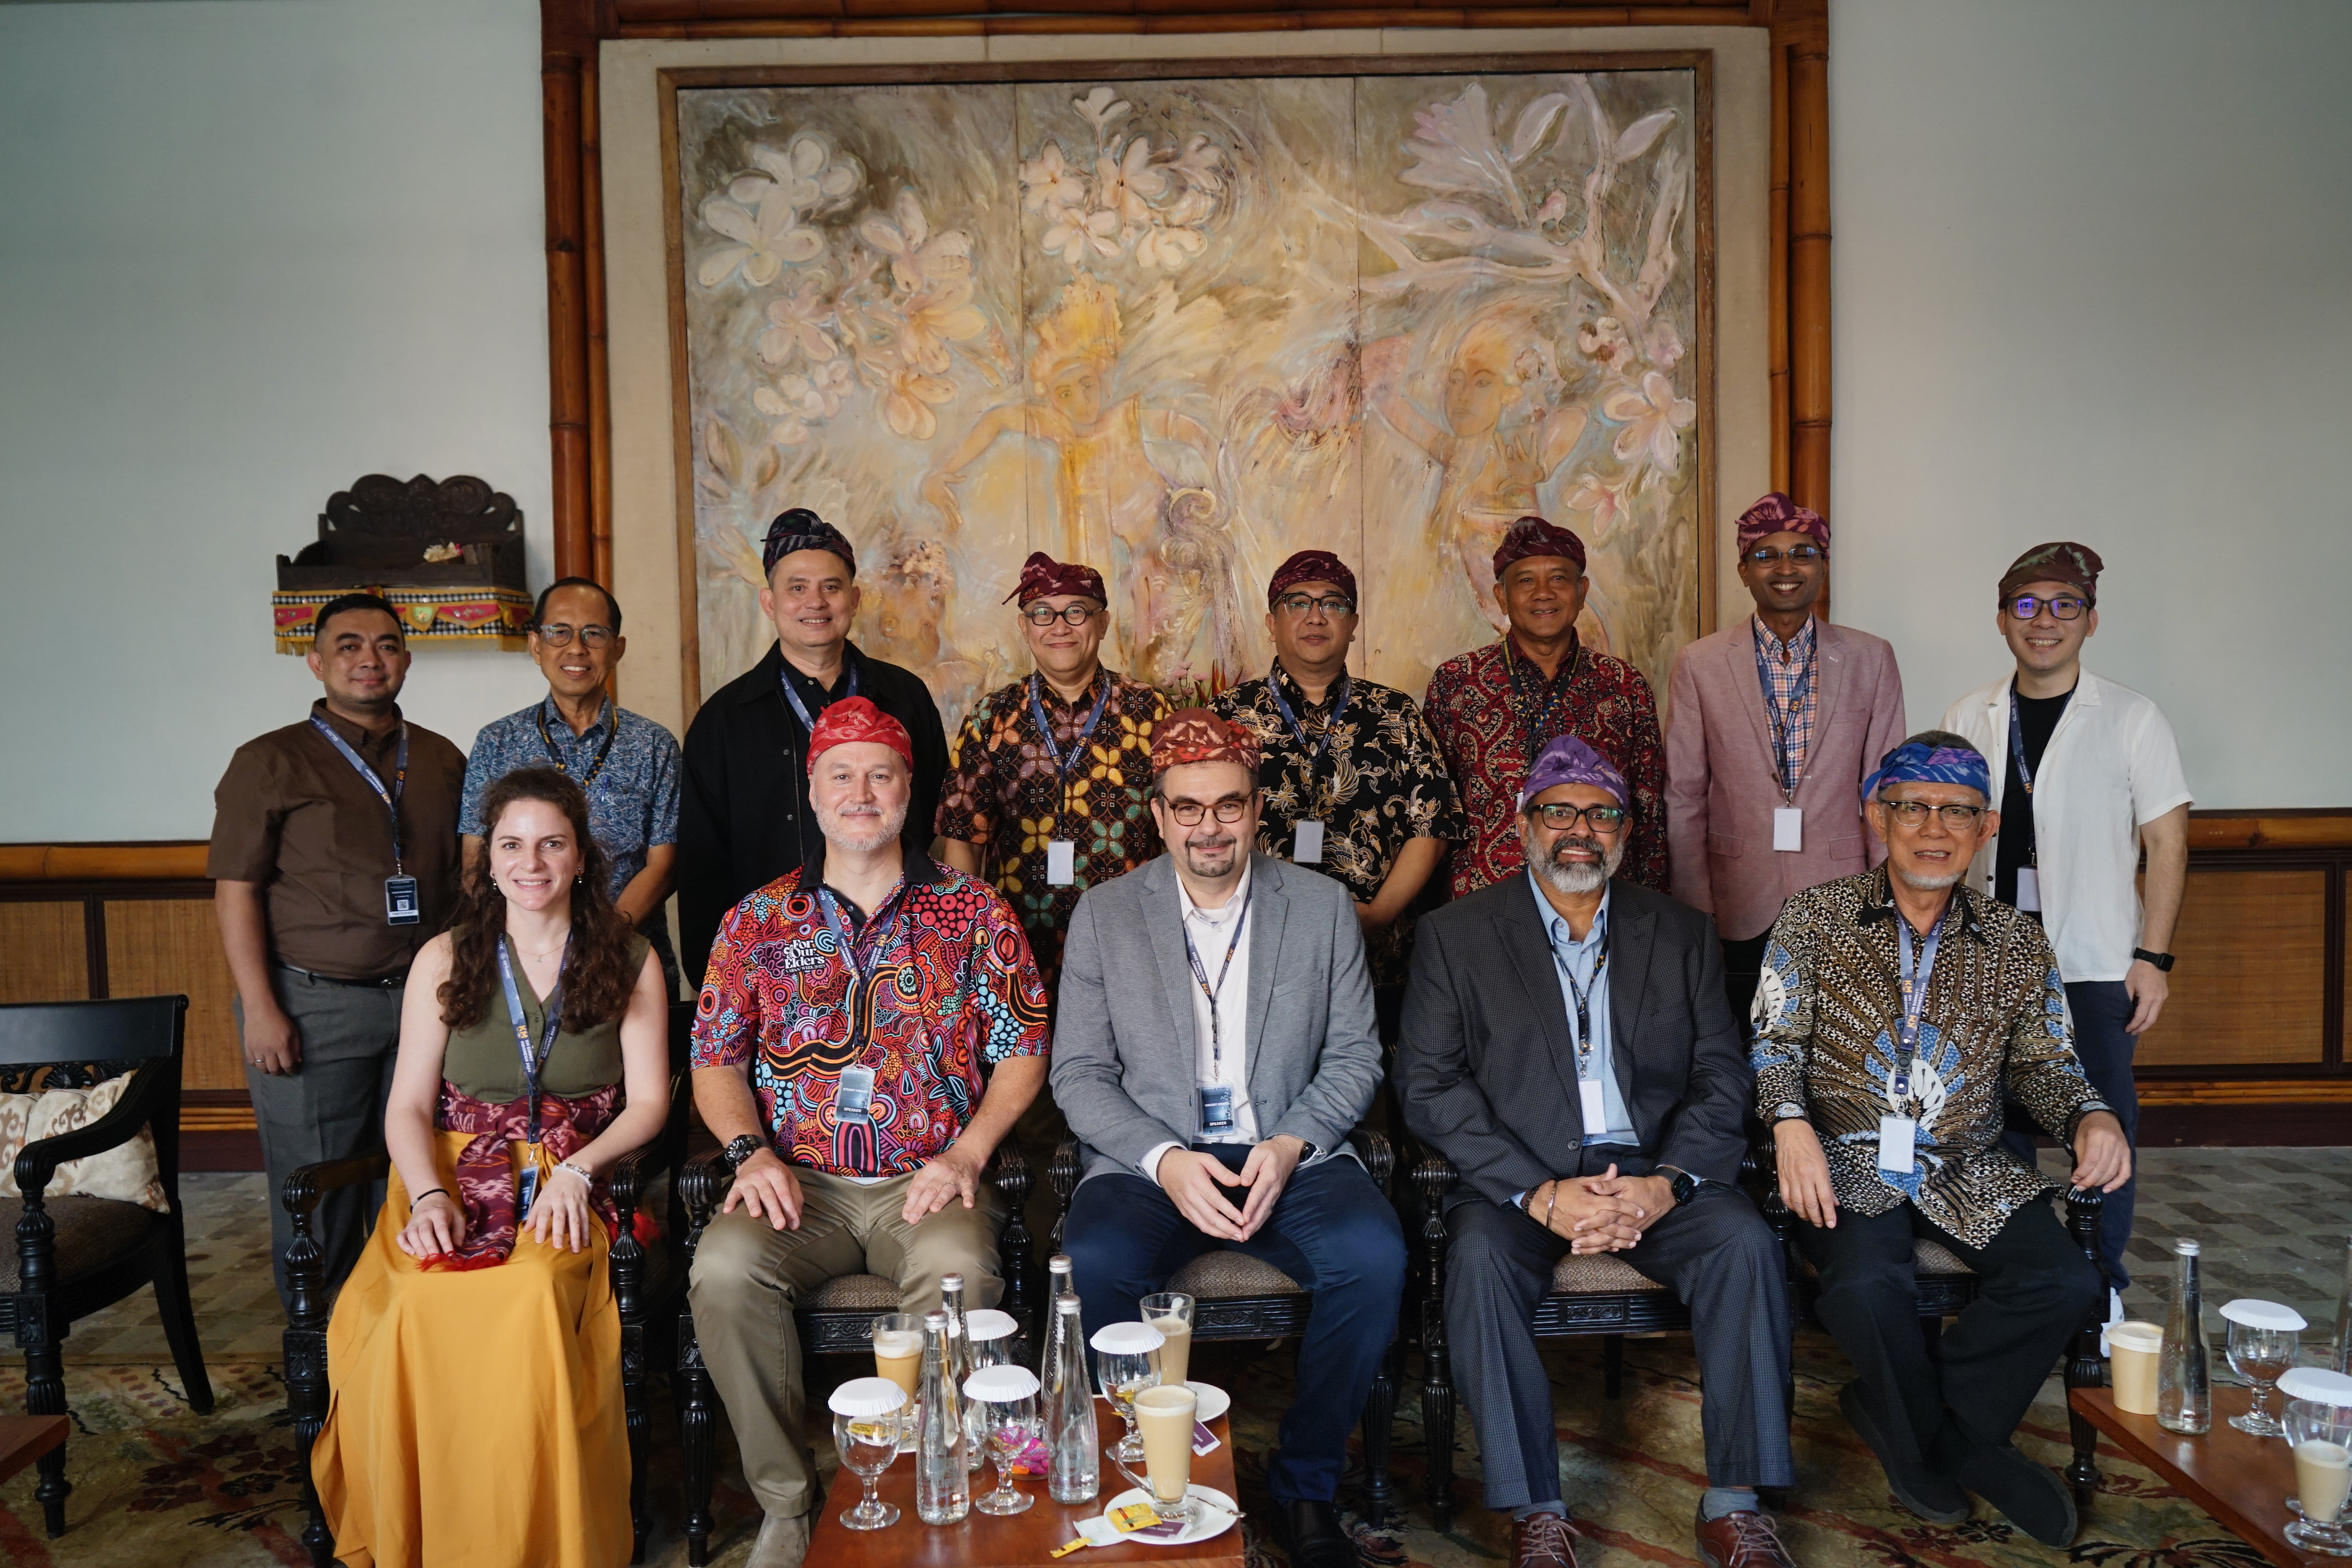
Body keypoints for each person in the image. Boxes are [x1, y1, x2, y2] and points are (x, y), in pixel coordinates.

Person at [1397, 736, 1796, 1568]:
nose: (1580, 830)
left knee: (1746, 1245)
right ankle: (1536, 1510)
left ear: (1625, 830)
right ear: (1523, 825)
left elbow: (1722, 1074)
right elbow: (1428, 1084)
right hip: (1520, 1177)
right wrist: (1538, 1192)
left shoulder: (1680, 932)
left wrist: (1666, 1184)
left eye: (1602, 814)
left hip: (1653, 1169)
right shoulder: (1456, 935)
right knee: (1477, 1261)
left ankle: (1735, 1504)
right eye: (1559, 812)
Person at [688, 697, 1049, 1568]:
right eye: (841, 776)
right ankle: (786, 1502)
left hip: (929, 1180)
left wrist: (968, 1151)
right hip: (797, 1184)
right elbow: (714, 1059)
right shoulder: (756, 920)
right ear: (812, 794)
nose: (861, 793)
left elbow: (1024, 1047)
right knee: (722, 1272)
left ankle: (928, 1483)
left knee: (959, 1273)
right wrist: (750, 1153)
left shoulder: (975, 912)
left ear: (907, 790)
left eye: (879, 775)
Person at [1753, 735, 2129, 1546]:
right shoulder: (1814, 916)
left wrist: (2088, 1116)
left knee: (2066, 1282)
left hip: (1968, 1164)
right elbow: (1774, 1042)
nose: (1934, 827)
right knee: (1863, 1287)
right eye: (1913, 807)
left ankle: (1917, 1427)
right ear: (1876, 816)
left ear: (1986, 827)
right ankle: (1960, 1444)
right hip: (1844, 1158)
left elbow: (2045, 1064)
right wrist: (1789, 1123)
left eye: (1957, 811)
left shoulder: (2017, 941)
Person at [1054, 709, 1405, 1568]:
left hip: (1289, 1151)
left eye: (1228, 805)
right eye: (1187, 807)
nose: (1208, 825)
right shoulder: (1105, 914)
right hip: (1151, 1160)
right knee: (1094, 1258)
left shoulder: (1322, 907)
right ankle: (1146, 1472)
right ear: (1159, 814)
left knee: (1374, 1256)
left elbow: (1356, 1053)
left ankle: (1305, 1484)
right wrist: (1165, 1159)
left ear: (1257, 809)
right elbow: (1080, 1073)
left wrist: (1292, 1143)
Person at [310, 766, 670, 1567]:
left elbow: (649, 1104)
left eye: (552, 844)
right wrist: (429, 1196)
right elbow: (407, 1106)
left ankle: (533, 1538)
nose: (530, 862)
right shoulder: (444, 957)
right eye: (512, 844)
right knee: (413, 1301)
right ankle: (430, 1533)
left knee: (531, 1291)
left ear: (582, 856)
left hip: (572, 1170)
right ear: (489, 858)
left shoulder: (629, 956)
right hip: (448, 1168)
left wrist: (579, 1171)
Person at [1940, 542, 2188, 1307]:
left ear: (2090, 620)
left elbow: (2168, 842)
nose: (2043, 620)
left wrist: (2153, 958)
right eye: (2026, 605)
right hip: (1984, 959)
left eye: (2063, 605)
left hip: (2092, 962)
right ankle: (2020, 1277)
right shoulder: (1968, 714)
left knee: (2102, 1126)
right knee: (1991, 1128)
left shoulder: (2132, 717)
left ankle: (2101, 1286)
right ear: (2001, 619)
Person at [209, 592, 466, 1311]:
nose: (368, 659)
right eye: (348, 645)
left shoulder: (442, 757)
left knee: (419, 1178)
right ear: (316, 660)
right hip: (312, 1003)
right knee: (317, 1188)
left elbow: (469, 878)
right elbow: (236, 891)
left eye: (385, 644)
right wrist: (262, 1007)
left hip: (426, 1004)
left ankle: (402, 1336)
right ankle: (320, 1350)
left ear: (406, 660)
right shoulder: (269, 760)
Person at [677, 509, 950, 988]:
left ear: (854, 599)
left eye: (831, 587)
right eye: (797, 588)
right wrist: (715, 981)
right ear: (769, 602)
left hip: (905, 957)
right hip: (770, 966)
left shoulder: (906, 697)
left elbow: (939, 824)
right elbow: (702, 867)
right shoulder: (723, 720)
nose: (815, 602)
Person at [1665, 494, 1906, 1025]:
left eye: (1802, 553)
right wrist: (1695, 913)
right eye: (1766, 555)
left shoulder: (1871, 658)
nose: (1786, 568)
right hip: (1737, 900)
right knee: (1739, 1045)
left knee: (1835, 1047)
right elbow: (1683, 797)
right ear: (1743, 570)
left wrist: (1884, 905)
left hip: (1843, 896)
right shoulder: (1700, 663)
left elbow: (1884, 792)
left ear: (1823, 565)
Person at [1212, 549, 1461, 1034]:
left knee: (1374, 1075)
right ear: (1271, 622)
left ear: (1353, 624)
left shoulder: (1396, 714)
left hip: (1378, 955)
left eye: (1333, 603)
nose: (1316, 616)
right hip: (1256, 950)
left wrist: (1377, 916)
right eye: (1298, 602)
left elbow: (1433, 826)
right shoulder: (1228, 716)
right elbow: (1203, 827)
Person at [935, 551, 1170, 988]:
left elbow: (1179, 827)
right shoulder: (991, 717)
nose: (1059, 627)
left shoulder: (1153, 711)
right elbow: (963, 841)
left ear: (1103, 623)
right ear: (1024, 627)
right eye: (1042, 613)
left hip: (1133, 940)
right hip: (1017, 946)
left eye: (1076, 611)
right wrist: (964, 943)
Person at [461, 577, 684, 997]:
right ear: (536, 645)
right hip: (517, 967)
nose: (577, 649)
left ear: (617, 649)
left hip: (628, 960)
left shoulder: (654, 745)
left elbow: (665, 864)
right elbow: (476, 860)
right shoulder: (497, 742)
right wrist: (536, 946)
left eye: (594, 634)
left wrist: (598, 943)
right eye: (559, 632)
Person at [1425, 515, 1667, 899]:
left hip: (1596, 901)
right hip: (1482, 902)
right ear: (1502, 596)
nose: (1543, 593)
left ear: (1582, 592)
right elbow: (1435, 814)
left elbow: (1649, 812)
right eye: (1525, 581)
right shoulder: (1457, 682)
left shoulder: (1624, 686)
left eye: (1558, 578)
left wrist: (1650, 911)